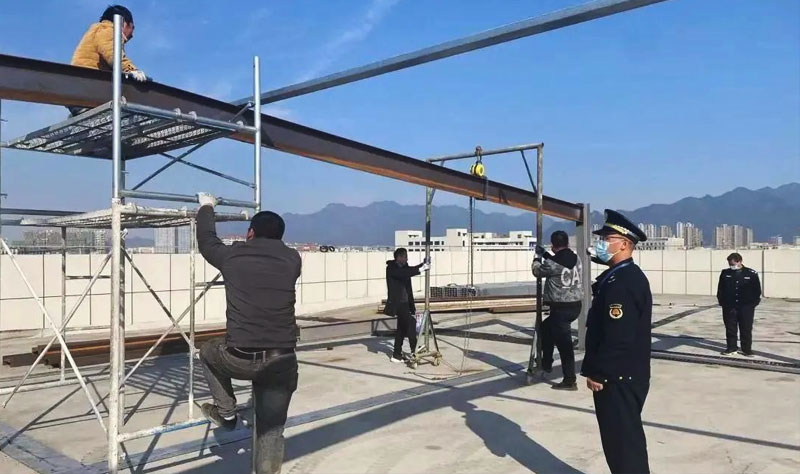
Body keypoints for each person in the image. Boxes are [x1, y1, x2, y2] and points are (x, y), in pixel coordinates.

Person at [195, 192, 301, 474]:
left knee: (207, 351)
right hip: (281, 361)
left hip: (240, 357)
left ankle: (226, 412)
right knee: (271, 431)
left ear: (250, 232)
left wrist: (207, 207)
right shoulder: (293, 259)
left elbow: (207, 241)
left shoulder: (234, 256)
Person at [581, 210, 652, 474]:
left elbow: (618, 336)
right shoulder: (617, 277)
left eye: (607, 239)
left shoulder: (623, 282)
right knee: (619, 443)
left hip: (618, 377)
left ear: (624, 244)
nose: (601, 243)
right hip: (622, 374)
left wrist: (600, 372)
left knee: (624, 446)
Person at [69, 5, 147, 115]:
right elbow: (113, 55)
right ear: (124, 23)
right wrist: (132, 70)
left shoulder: (97, 30)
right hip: (89, 88)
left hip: (78, 89)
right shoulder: (108, 30)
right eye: (132, 28)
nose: (132, 35)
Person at [532, 230, 584, 390]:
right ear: (567, 243)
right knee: (545, 328)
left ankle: (570, 380)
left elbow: (537, 271)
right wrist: (546, 254)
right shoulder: (576, 258)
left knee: (564, 346)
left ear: (553, 245)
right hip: (575, 305)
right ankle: (546, 362)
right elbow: (558, 262)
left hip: (561, 308)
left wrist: (537, 257)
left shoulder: (552, 264)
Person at [384, 248, 429, 363]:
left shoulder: (404, 267)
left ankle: (396, 355)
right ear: (398, 257)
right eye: (404, 256)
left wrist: (422, 264)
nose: (406, 259)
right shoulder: (391, 268)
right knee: (411, 323)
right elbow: (403, 273)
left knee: (401, 329)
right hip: (397, 303)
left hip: (405, 302)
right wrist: (420, 270)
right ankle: (414, 349)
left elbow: (410, 270)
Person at [716, 252, 761, 357]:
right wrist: (722, 302)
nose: (732, 266)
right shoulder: (725, 273)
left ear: (740, 261)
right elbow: (720, 289)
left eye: (733, 264)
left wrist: (752, 304)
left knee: (746, 328)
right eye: (730, 264)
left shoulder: (751, 273)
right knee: (730, 328)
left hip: (745, 307)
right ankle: (731, 348)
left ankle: (746, 349)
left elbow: (757, 290)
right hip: (729, 306)